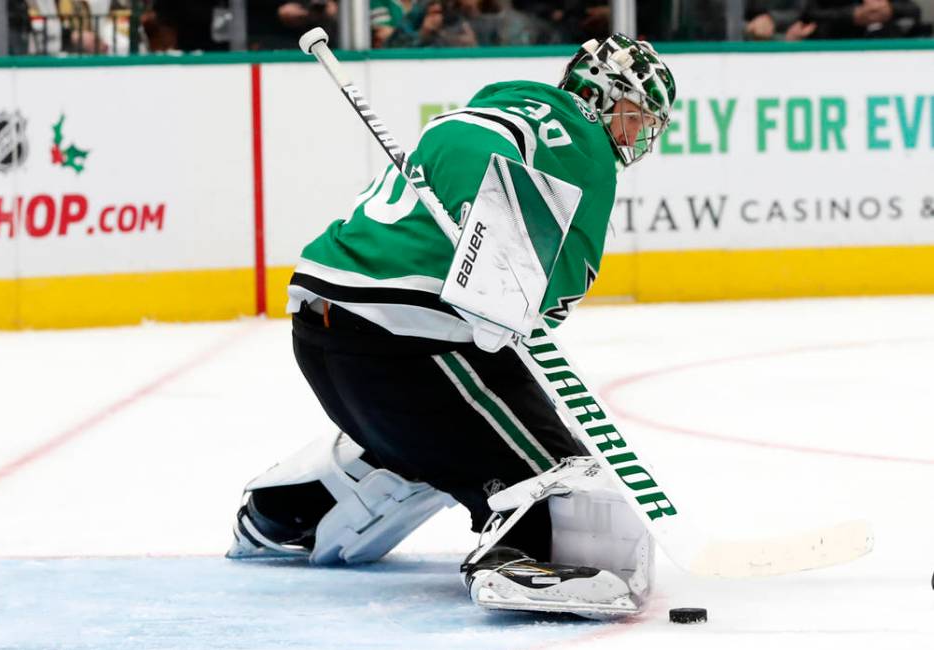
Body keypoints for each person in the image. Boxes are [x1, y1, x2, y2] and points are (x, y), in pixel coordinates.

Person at [227, 34, 676, 618]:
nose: (636, 134)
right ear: (610, 99)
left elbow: (471, 192)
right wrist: (527, 306)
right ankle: (525, 554)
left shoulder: (484, 109)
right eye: (638, 116)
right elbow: (558, 284)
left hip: (322, 330)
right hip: (409, 348)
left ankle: (288, 511)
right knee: (580, 505)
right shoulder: (585, 144)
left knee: (440, 444)